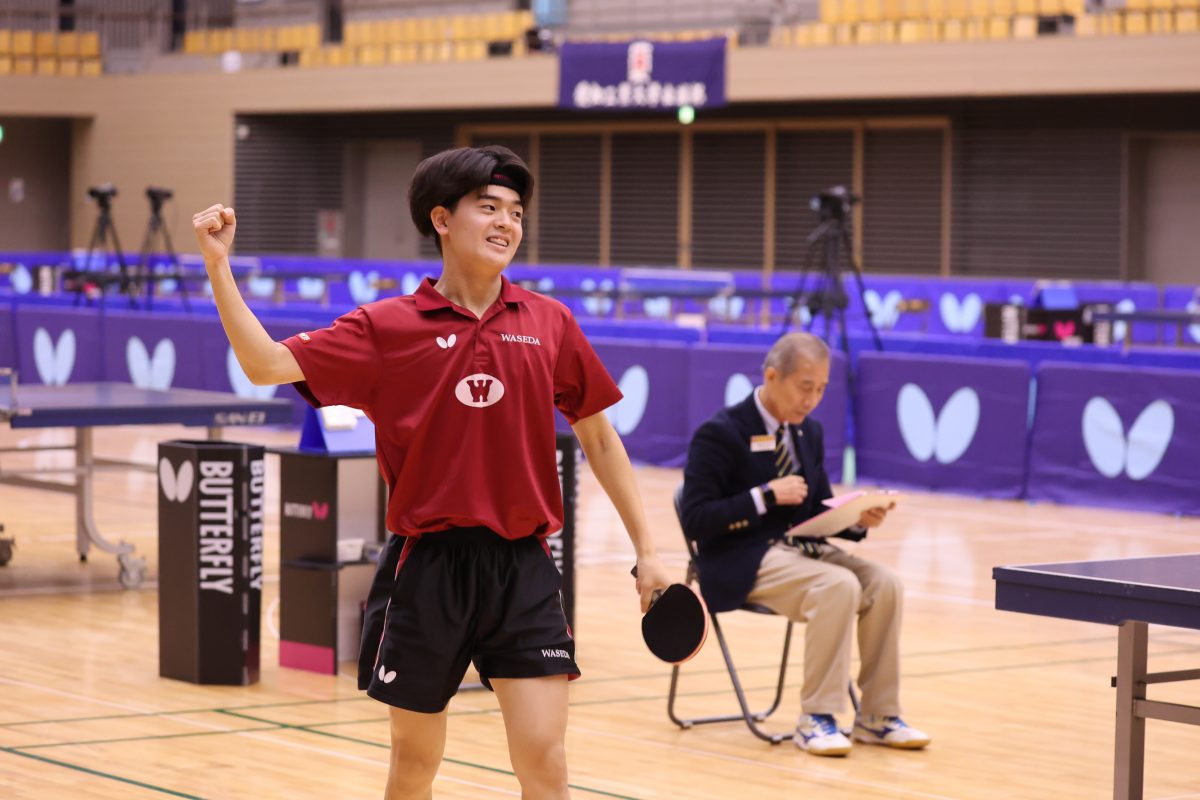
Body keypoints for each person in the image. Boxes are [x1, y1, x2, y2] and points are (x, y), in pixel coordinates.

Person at [193, 144, 672, 799]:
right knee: (414, 765)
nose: (507, 222)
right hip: (428, 569)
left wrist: (648, 551)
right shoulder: (387, 328)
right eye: (489, 208)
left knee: (547, 761)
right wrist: (219, 267)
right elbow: (266, 364)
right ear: (442, 220)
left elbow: (599, 437)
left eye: (516, 211)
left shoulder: (549, 323)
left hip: (524, 566)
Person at [679, 332, 929, 757]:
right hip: (739, 558)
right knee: (837, 586)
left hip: (800, 552)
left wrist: (856, 518)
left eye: (822, 389)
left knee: (885, 583)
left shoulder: (807, 432)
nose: (812, 399)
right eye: (805, 387)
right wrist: (766, 496)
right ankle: (818, 717)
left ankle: (878, 716)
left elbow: (816, 508)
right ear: (772, 377)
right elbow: (697, 518)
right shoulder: (720, 432)